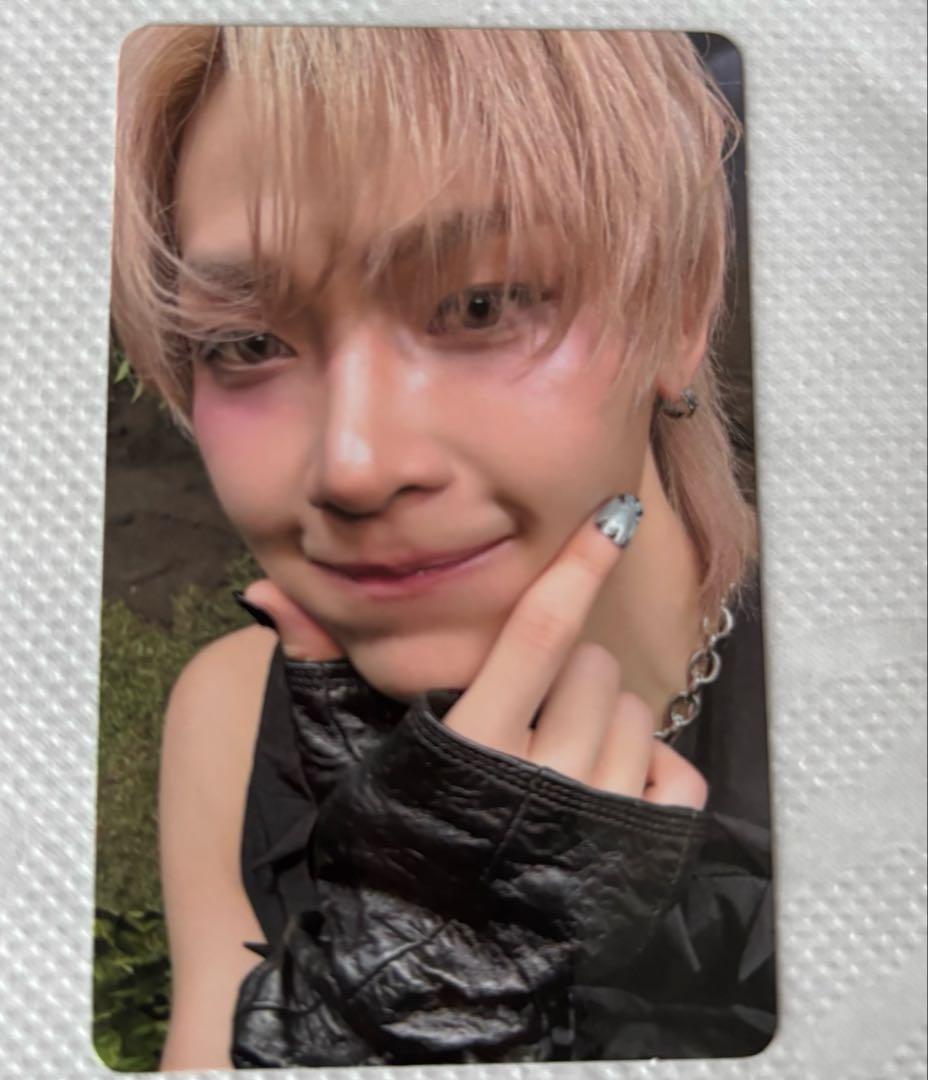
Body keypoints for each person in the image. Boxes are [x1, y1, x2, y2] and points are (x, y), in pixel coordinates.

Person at [110, 26, 774, 1070]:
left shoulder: (868, 695)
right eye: (246, 341)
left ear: (681, 307)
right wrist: (391, 1007)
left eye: (479, 304)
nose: (354, 465)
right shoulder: (236, 713)